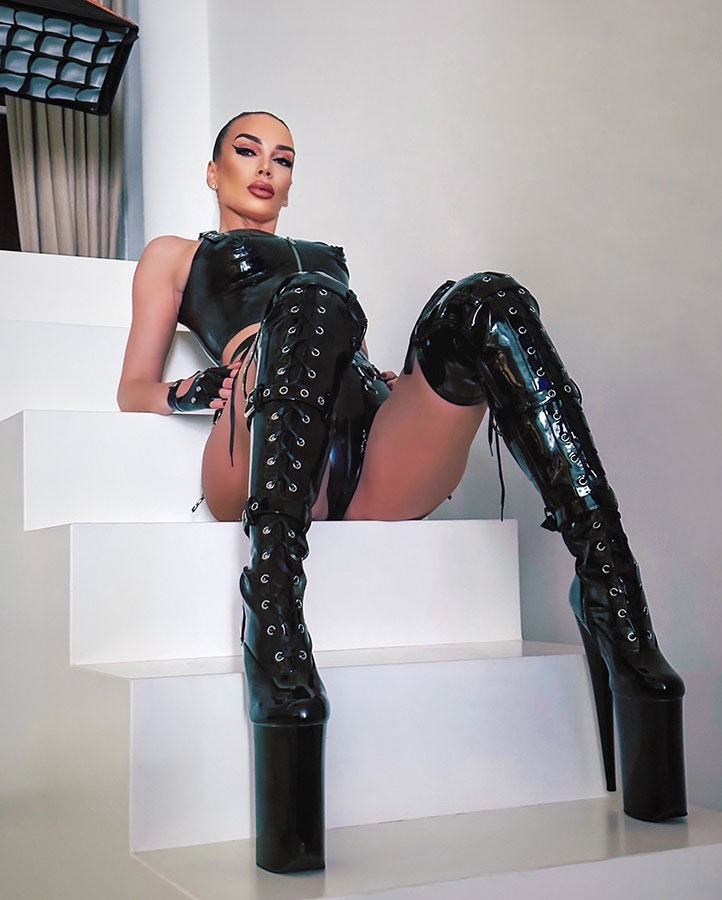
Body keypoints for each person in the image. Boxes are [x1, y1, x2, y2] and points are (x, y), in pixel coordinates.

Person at [118, 111, 686, 874]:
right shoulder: (176, 254)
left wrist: (384, 381)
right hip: (264, 450)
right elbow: (134, 387)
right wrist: (190, 389)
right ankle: (275, 624)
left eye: (284, 158)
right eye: (247, 151)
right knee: (311, 298)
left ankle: (616, 599)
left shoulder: (327, 259)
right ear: (213, 170)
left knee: (486, 301)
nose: (266, 168)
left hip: (369, 448)